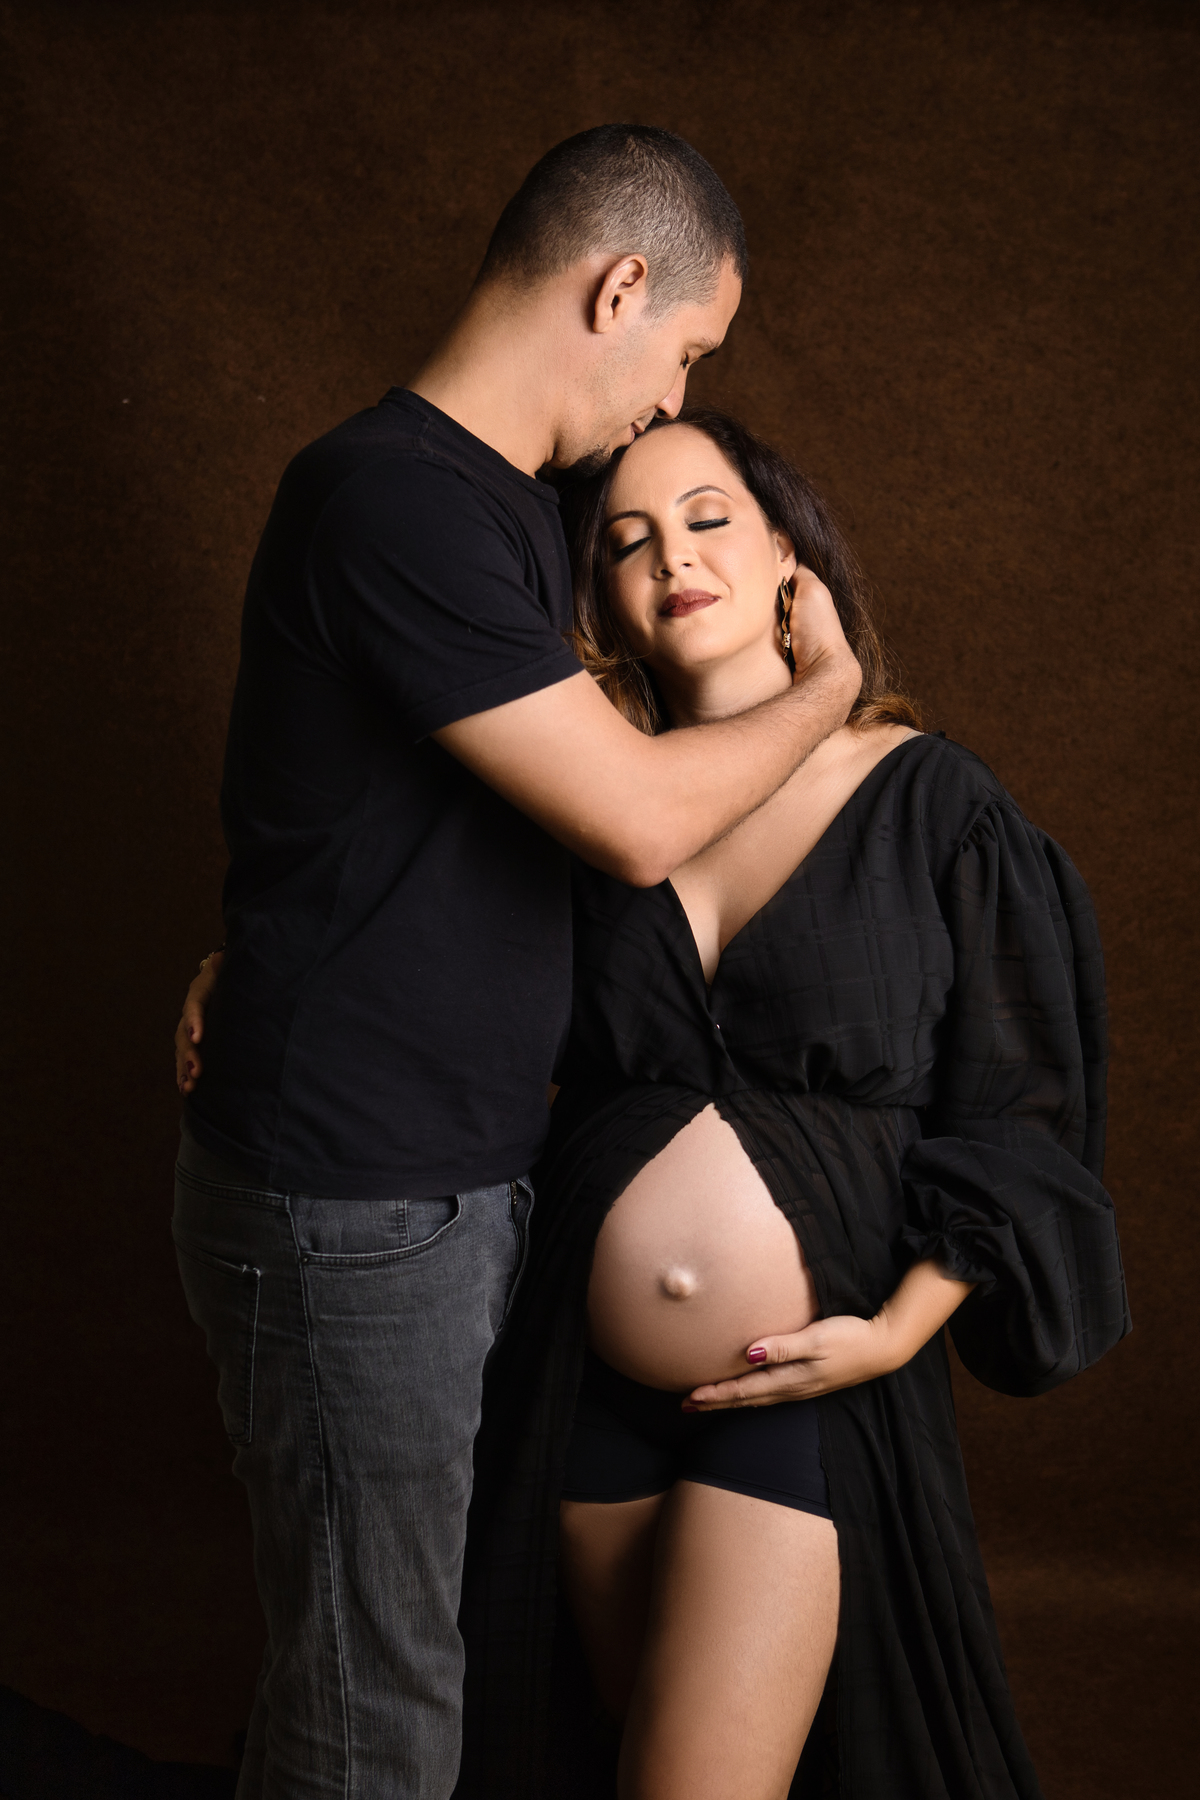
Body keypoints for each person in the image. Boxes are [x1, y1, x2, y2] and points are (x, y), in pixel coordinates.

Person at [170, 128, 862, 1800]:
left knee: (392, 1664)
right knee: (376, 1714)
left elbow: (359, 795)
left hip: (444, 1185)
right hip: (354, 1201)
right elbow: (627, 818)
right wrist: (827, 689)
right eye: (685, 348)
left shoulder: (522, 507)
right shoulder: (393, 495)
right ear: (620, 288)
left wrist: (249, 942)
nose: (672, 391)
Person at [446, 408, 1131, 1800]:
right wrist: (244, 967)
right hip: (584, 1393)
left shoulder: (930, 801)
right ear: (602, 602)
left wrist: (893, 1334)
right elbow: (424, 964)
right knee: (599, 1758)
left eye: (707, 518)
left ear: (787, 561)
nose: (670, 558)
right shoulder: (589, 817)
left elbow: (1022, 1112)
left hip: (799, 1380)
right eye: (626, 541)